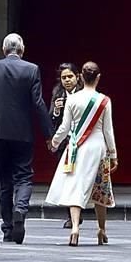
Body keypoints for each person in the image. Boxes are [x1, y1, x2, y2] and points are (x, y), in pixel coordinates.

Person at [0, 33, 53, 245]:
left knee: (4, 181)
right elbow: (37, 103)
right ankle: (20, 208)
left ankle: (7, 228)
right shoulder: (31, 69)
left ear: (4, 50)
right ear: (22, 50)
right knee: (24, 176)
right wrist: (48, 134)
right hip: (23, 133)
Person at [46, 60, 118, 246]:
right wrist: (113, 154)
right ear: (98, 77)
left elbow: (65, 127)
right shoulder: (104, 101)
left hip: (76, 147)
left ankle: (75, 228)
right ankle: (101, 230)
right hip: (99, 149)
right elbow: (108, 131)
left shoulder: (72, 99)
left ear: (80, 77)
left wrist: (55, 142)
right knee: (100, 190)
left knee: (75, 186)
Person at [49, 62, 83, 228]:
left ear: (77, 77)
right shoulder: (58, 93)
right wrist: (56, 111)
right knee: (67, 178)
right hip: (65, 143)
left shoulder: (85, 93)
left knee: (80, 178)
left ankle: (79, 211)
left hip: (82, 141)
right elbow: (52, 119)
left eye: (70, 76)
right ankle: (71, 216)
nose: (67, 80)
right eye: (64, 78)